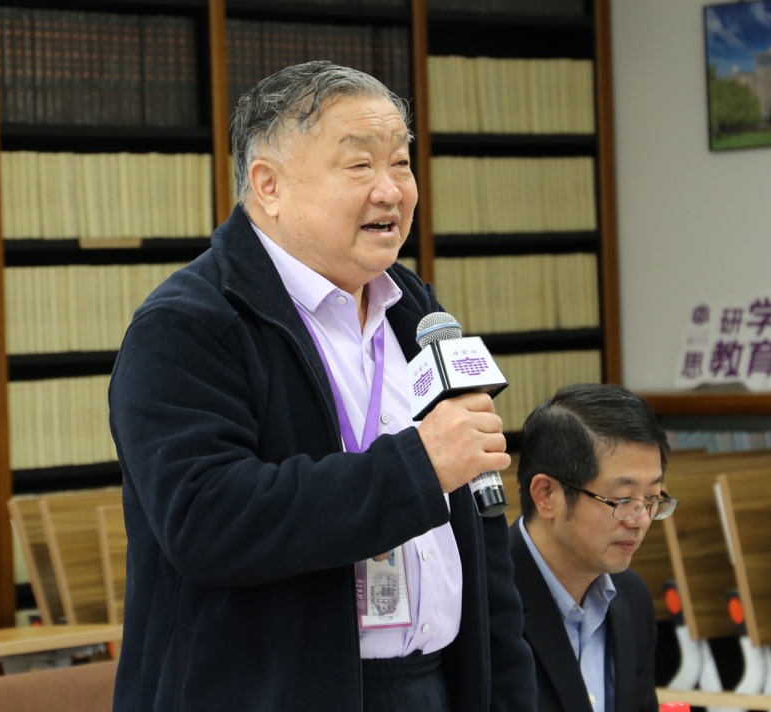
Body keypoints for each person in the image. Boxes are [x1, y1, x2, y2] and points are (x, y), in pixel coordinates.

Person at [108, 61, 536, 711]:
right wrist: (417, 469)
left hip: (434, 685)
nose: (391, 190)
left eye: (400, 163)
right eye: (360, 165)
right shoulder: (188, 325)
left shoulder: (414, 312)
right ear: (269, 186)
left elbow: (482, 531)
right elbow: (206, 519)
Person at [508, 383, 676, 712]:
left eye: (652, 498)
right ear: (546, 495)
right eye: (623, 499)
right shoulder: (483, 600)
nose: (641, 520)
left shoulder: (632, 597)